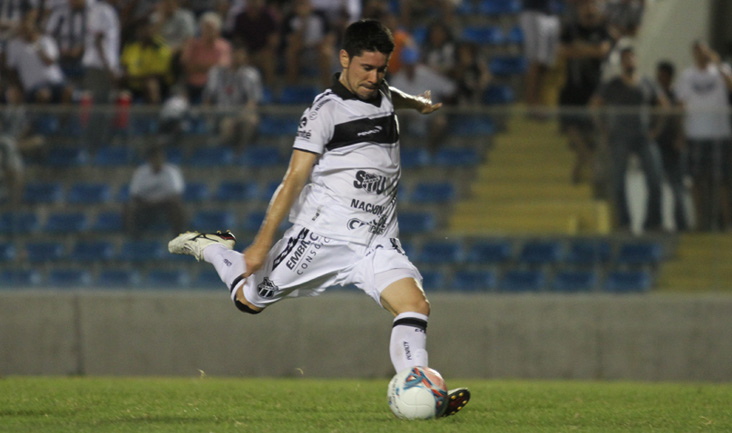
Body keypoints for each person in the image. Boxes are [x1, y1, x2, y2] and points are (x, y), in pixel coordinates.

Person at [168, 19, 470, 417]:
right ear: (344, 58)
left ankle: (420, 386)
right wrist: (259, 244)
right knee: (247, 300)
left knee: (415, 306)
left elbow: (388, 95)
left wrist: (416, 103)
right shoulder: (324, 111)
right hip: (322, 235)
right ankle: (211, 248)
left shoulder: (378, 90)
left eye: (381, 69)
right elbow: (293, 180)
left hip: (377, 238)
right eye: (366, 68)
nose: (374, 77)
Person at [591, 47, 666, 233]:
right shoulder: (613, 83)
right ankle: (624, 222)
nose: (629, 61)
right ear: (621, 62)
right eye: (625, 58)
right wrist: (603, 130)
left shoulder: (647, 82)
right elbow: (595, 105)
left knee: (655, 178)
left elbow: (664, 104)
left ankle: (653, 221)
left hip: (643, 136)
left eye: (632, 57)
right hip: (620, 136)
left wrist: (656, 129)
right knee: (618, 181)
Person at [675, 41, 732, 231]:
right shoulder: (687, 76)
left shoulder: (721, 71)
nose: (701, 54)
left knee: (723, 178)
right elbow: (681, 105)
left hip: (719, 134)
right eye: (697, 52)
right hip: (695, 133)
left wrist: (718, 64)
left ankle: (728, 222)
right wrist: (681, 132)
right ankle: (700, 222)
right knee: (697, 179)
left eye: (704, 51)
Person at [558, 0, 612, 184]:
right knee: (572, 127)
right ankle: (590, 163)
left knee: (593, 131)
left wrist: (579, 49)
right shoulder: (570, 29)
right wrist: (589, 50)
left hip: (593, 89)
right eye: (584, 6)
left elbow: (603, 51)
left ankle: (582, 167)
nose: (588, 9)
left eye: (591, 5)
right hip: (573, 88)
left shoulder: (602, 30)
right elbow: (562, 52)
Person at [203, 44, 263, 154]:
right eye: (233, 54)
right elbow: (208, 98)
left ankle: (240, 155)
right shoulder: (216, 73)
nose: (236, 58)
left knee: (250, 121)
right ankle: (222, 155)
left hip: (242, 114)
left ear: (245, 57)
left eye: (240, 55)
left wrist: (240, 115)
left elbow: (252, 102)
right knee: (228, 124)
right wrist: (209, 117)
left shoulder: (251, 74)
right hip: (221, 115)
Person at [5, 10, 73, 104]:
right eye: (22, 28)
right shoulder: (14, 45)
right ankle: (42, 118)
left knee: (68, 91)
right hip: (34, 85)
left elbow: (49, 62)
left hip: (55, 81)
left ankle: (65, 118)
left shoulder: (47, 40)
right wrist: (19, 87)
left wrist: (36, 45)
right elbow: (11, 70)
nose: (25, 31)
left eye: (27, 28)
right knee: (44, 94)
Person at [654, 60, 689, 232]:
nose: (659, 78)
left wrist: (680, 138)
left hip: (672, 146)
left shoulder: (675, 96)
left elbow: (680, 118)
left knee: (677, 187)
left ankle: (681, 223)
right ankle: (657, 223)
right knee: (656, 186)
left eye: (662, 75)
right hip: (657, 146)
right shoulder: (653, 96)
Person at [124, 143, 186, 238]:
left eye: (160, 157)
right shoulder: (140, 172)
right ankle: (134, 236)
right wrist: (147, 202)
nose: (158, 160)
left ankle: (178, 235)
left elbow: (176, 194)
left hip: (165, 203)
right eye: (154, 158)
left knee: (177, 205)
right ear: (149, 159)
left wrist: (158, 201)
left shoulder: (172, 172)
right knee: (129, 207)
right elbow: (134, 194)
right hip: (145, 203)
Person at [519, 0, 561, 115]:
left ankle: (541, 100)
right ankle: (531, 103)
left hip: (551, 12)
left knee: (546, 63)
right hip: (534, 12)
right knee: (536, 60)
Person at [179, 11, 231, 104]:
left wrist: (197, 67)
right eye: (205, 28)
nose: (208, 31)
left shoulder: (224, 46)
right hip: (192, 84)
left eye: (211, 28)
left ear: (217, 31)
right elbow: (185, 65)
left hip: (214, 86)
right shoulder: (193, 44)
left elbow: (222, 68)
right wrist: (210, 66)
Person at [120, 18, 173, 104]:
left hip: (156, 84)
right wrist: (125, 75)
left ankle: (153, 112)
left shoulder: (160, 48)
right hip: (132, 82)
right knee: (118, 80)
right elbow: (124, 65)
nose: (144, 32)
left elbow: (157, 74)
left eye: (147, 28)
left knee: (151, 84)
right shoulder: (131, 46)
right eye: (141, 29)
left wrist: (134, 77)